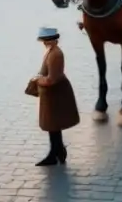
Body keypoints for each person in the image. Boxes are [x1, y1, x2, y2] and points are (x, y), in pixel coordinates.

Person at [28, 28, 80, 166]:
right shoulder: (51, 52)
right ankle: (57, 151)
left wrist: (38, 80)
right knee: (53, 125)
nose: (44, 43)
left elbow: (52, 79)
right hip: (51, 94)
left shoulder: (55, 54)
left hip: (56, 93)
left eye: (45, 40)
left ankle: (56, 153)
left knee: (53, 123)